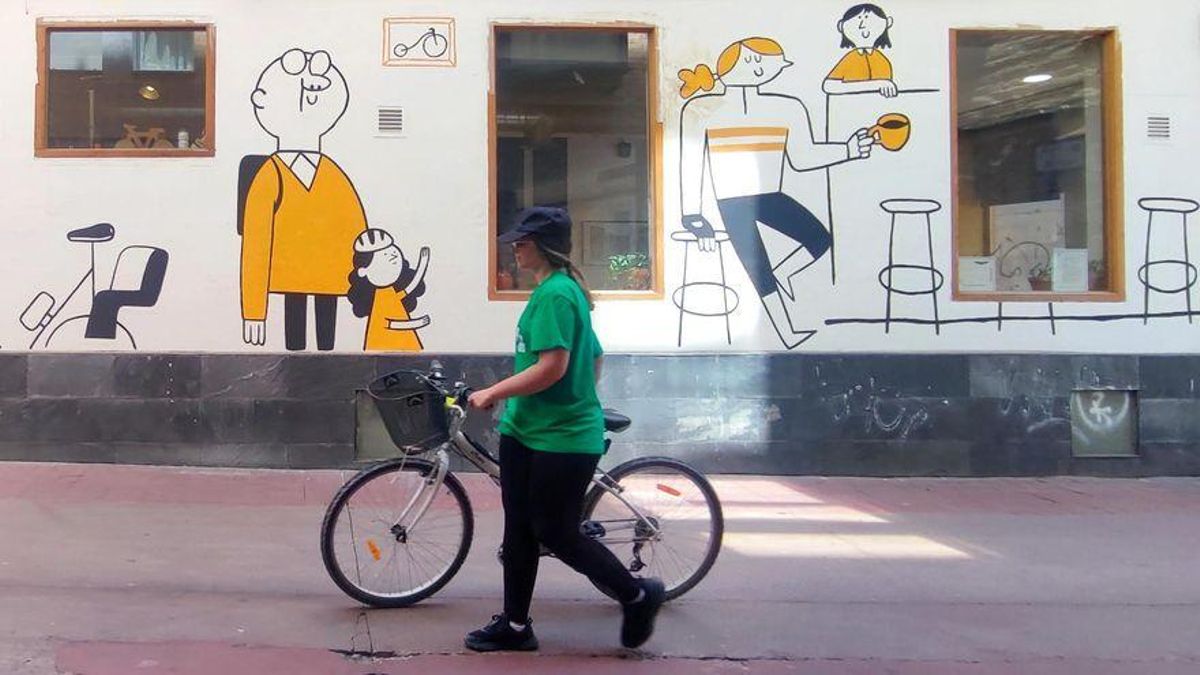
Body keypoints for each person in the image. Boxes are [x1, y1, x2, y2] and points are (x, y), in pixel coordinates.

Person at [464, 206, 665, 651]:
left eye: (522, 242)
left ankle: (637, 595)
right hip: (527, 431)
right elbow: (595, 356)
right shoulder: (559, 291)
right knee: (519, 530)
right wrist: (575, 396)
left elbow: (553, 367)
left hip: (561, 439)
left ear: (543, 246)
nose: (515, 248)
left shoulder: (557, 294)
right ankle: (515, 627)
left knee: (555, 531)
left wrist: (494, 392)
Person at [679, 37, 874, 349]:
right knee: (760, 271)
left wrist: (847, 150)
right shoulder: (701, 109)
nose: (757, 69)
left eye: (764, 64)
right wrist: (694, 218)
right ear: (727, 64)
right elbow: (691, 164)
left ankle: (786, 275)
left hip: (770, 195)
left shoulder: (787, 107)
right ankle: (788, 334)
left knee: (819, 238)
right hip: (731, 201)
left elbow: (803, 158)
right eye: (750, 60)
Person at [346, 228, 431, 351]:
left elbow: (409, 289)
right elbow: (390, 324)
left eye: (392, 252)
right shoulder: (379, 299)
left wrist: (423, 263)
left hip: (403, 343)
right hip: (384, 345)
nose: (393, 256)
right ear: (363, 271)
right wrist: (417, 323)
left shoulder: (389, 292)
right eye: (385, 256)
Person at [822, 4, 898, 97]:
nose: (862, 25)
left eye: (868, 19)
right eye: (858, 20)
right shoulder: (851, 59)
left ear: (888, 22)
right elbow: (828, 85)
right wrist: (877, 84)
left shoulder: (882, 61)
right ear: (841, 26)